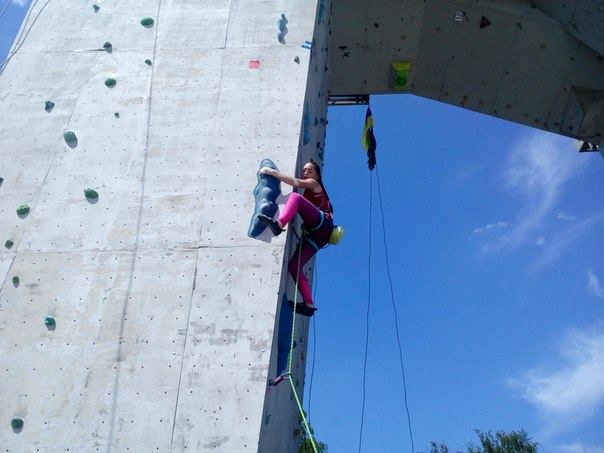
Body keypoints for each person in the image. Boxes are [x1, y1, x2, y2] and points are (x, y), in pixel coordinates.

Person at [257, 160, 334, 317]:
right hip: (317, 236)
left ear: (317, 176)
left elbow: (295, 182)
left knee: (295, 197)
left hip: (322, 225)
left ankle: (279, 225)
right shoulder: (313, 188)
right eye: (304, 170)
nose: (305, 173)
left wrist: (271, 172)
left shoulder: (313, 184)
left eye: (309, 171)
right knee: (294, 266)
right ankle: (309, 305)